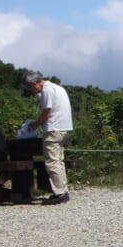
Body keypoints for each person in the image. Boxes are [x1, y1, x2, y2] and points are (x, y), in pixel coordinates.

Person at [23, 71, 73, 204]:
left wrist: (35, 125)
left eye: (30, 88)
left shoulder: (47, 90)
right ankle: (63, 189)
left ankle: (59, 193)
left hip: (53, 128)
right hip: (64, 127)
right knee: (59, 161)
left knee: (52, 162)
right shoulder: (58, 88)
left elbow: (46, 112)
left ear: (34, 83)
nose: (32, 91)